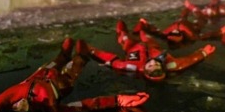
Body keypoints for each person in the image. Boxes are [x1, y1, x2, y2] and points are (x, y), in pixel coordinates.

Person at [0, 37, 149, 112]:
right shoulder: (49, 108)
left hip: (41, 73)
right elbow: (84, 106)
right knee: (75, 66)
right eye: (24, 111)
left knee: (56, 61)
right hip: (61, 84)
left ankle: (64, 52)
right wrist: (119, 100)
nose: (21, 104)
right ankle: (83, 53)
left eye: (16, 108)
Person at [82, 20, 216, 81]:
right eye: (157, 64)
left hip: (131, 46)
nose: (153, 62)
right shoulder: (170, 65)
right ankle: (140, 28)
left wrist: (91, 50)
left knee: (121, 28)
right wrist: (203, 53)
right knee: (143, 33)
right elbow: (186, 61)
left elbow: (111, 59)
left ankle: (127, 31)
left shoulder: (132, 67)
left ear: (145, 70)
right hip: (150, 44)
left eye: (151, 65)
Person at [133, 8, 223, 47]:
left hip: (182, 21)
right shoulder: (191, 36)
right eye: (176, 35)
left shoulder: (165, 35)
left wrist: (145, 24)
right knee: (201, 21)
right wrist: (220, 32)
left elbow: (154, 31)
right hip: (193, 27)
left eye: (173, 34)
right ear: (181, 38)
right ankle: (195, 10)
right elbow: (205, 36)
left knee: (182, 18)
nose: (175, 31)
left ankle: (188, 9)